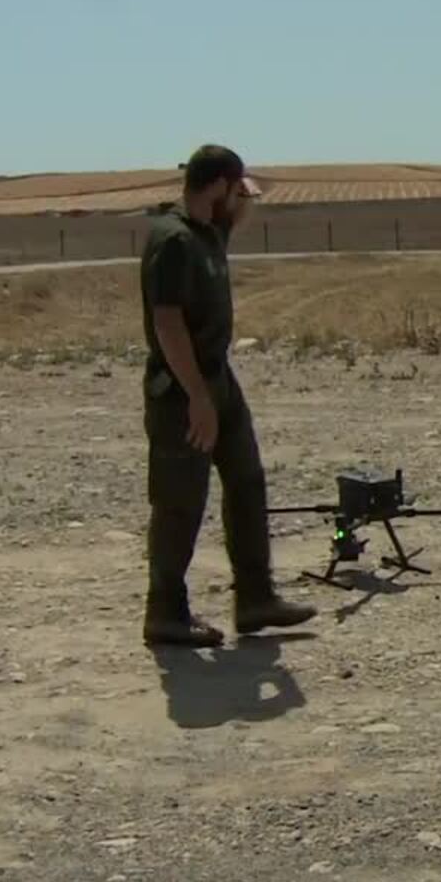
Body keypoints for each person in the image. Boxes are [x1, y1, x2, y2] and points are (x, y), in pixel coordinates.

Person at [139, 144, 316, 647]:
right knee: (180, 501)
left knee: (246, 480)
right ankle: (165, 614)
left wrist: (244, 197)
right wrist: (197, 396)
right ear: (218, 186)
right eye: (236, 190)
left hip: (218, 381)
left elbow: (233, 219)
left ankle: (255, 599)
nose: (240, 200)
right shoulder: (172, 240)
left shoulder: (208, 233)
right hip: (183, 389)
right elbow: (167, 323)